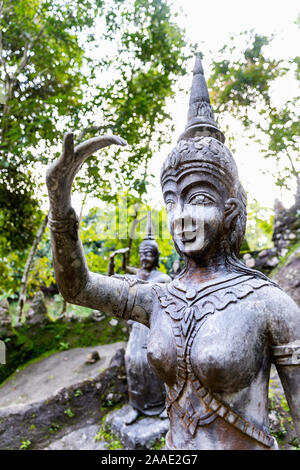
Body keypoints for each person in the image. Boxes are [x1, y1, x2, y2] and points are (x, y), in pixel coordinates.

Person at [46, 54, 300, 450]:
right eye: (171, 201)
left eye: (198, 197)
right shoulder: (160, 297)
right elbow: (78, 288)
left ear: (229, 211)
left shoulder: (270, 304)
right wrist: (60, 207)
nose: (181, 216)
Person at [107, 214, 170, 421]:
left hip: (154, 328)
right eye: (142, 254)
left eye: (149, 254)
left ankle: (164, 404)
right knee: (132, 362)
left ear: (156, 256)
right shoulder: (134, 278)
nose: (144, 259)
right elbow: (113, 286)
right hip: (136, 330)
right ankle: (136, 406)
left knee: (155, 363)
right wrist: (111, 263)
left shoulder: (162, 278)